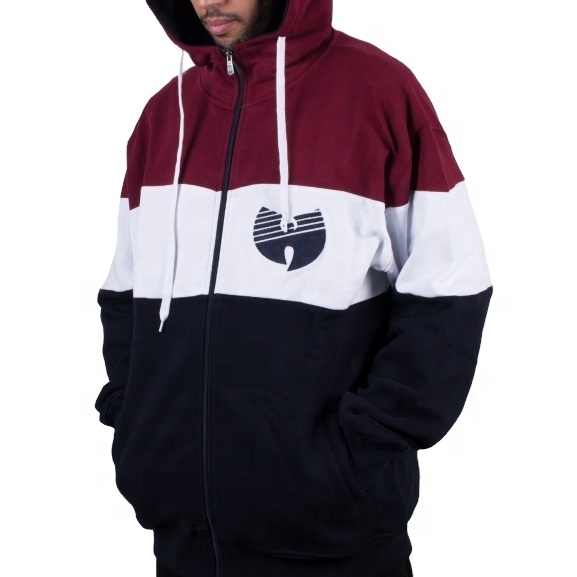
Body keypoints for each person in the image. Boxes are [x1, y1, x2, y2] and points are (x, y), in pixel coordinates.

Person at [94, 1, 493, 576]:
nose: (209, 1)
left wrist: (362, 446)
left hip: (336, 536)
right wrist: (137, 424)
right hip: (184, 535)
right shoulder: (164, 117)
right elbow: (125, 294)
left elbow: (450, 290)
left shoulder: (376, 93)